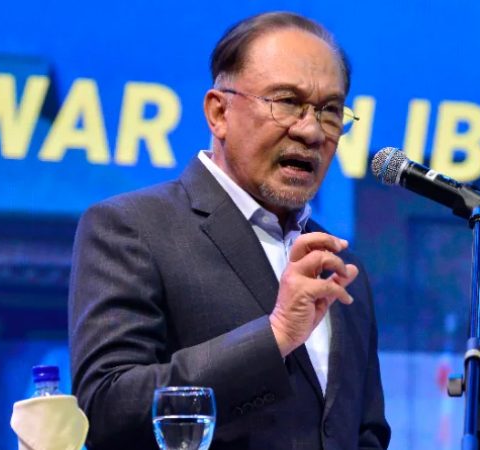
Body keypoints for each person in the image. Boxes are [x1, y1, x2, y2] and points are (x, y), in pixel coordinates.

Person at [69, 11, 391, 450]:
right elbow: (109, 407)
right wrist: (275, 336)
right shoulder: (132, 228)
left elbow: (366, 432)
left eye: (330, 111)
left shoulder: (341, 268)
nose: (312, 131)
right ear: (219, 112)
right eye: (287, 102)